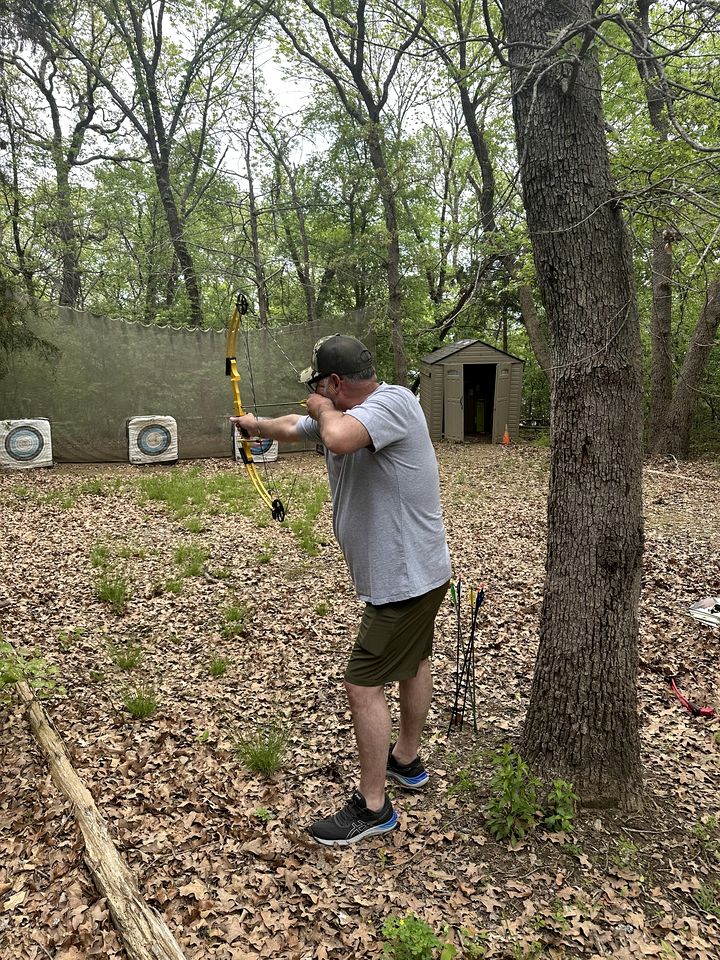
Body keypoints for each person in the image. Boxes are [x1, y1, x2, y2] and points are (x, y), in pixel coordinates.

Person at [231, 334, 451, 846]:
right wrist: (256, 426)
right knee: (413, 661)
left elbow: (336, 437)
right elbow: (297, 425)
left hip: (404, 582)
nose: (314, 396)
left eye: (318, 386)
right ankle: (406, 760)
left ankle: (373, 807)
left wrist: (320, 407)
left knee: (362, 684)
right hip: (417, 575)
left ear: (334, 383)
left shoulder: (393, 402)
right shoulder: (342, 413)